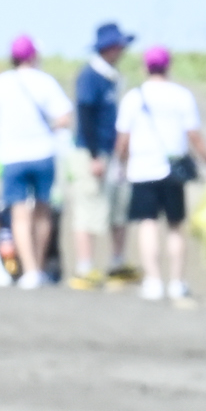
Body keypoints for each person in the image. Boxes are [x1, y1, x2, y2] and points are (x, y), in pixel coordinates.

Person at [114, 45, 206, 304]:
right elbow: (194, 135)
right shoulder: (181, 96)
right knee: (176, 225)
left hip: (142, 169)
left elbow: (123, 139)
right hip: (173, 169)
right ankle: (177, 282)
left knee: (147, 223)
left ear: (145, 67)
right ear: (169, 66)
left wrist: (121, 162)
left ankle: (153, 281)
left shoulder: (134, 97)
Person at [0, 36, 72, 290]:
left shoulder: (0, 83)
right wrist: (47, 128)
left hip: (13, 155)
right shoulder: (45, 82)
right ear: (32, 56)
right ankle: (38, 267)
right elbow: (64, 117)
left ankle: (29, 270)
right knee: (43, 212)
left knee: (20, 214)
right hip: (43, 152)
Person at [68, 23, 134, 286]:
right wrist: (94, 154)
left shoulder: (112, 76)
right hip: (91, 151)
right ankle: (85, 266)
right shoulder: (90, 76)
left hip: (112, 151)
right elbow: (84, 114)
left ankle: (117, 262)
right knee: (89, 206)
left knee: (117, 209)